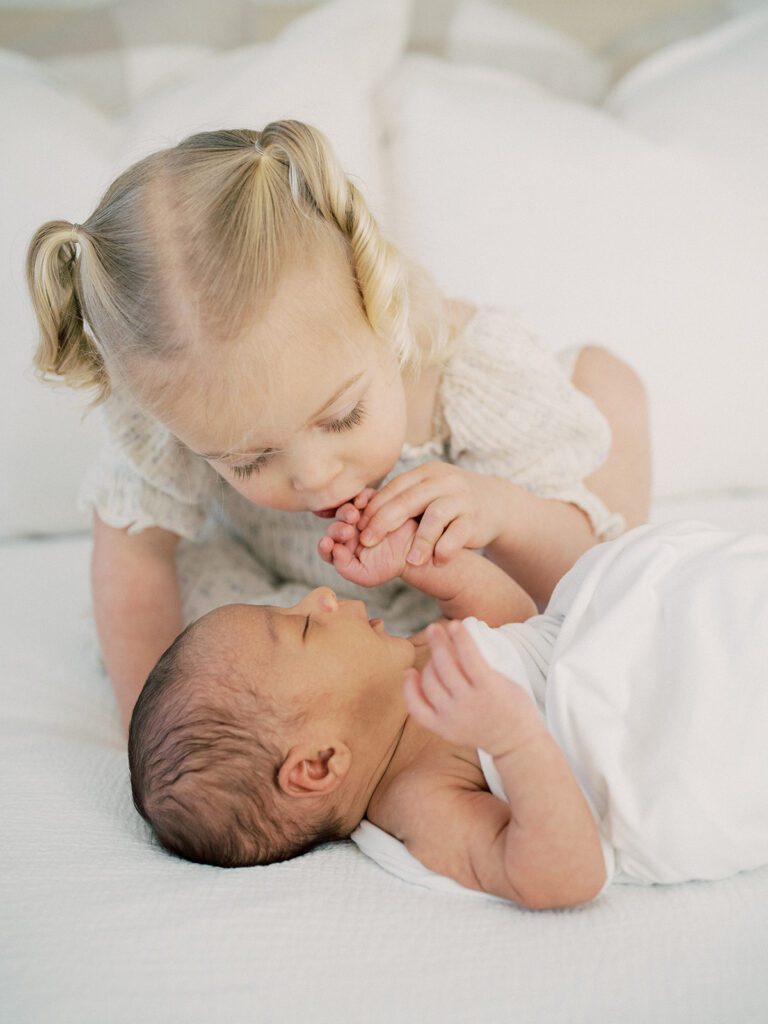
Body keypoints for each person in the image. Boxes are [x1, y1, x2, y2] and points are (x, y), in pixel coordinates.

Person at [25, 120, 650, 734]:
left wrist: (501, 511)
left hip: (493, 566)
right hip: (297, 599)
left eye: (342, 416)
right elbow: (133, 557)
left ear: (382, 311)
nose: (315, 476)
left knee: (599, 545)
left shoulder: (465, 374)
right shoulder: (170, 416)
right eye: (248, 460)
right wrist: (151, 736)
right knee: (197, 657)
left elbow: (577, 570)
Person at [128, 514, 768, 910]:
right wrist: (513, 739)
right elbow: (562, 877)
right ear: (319, 764)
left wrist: (434, 568)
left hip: (640, 633)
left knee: (716, 596)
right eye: (300, 631)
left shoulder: (409, 662)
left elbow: (524, 633)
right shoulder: (417, 799)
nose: (320, 598)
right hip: (668, 721)